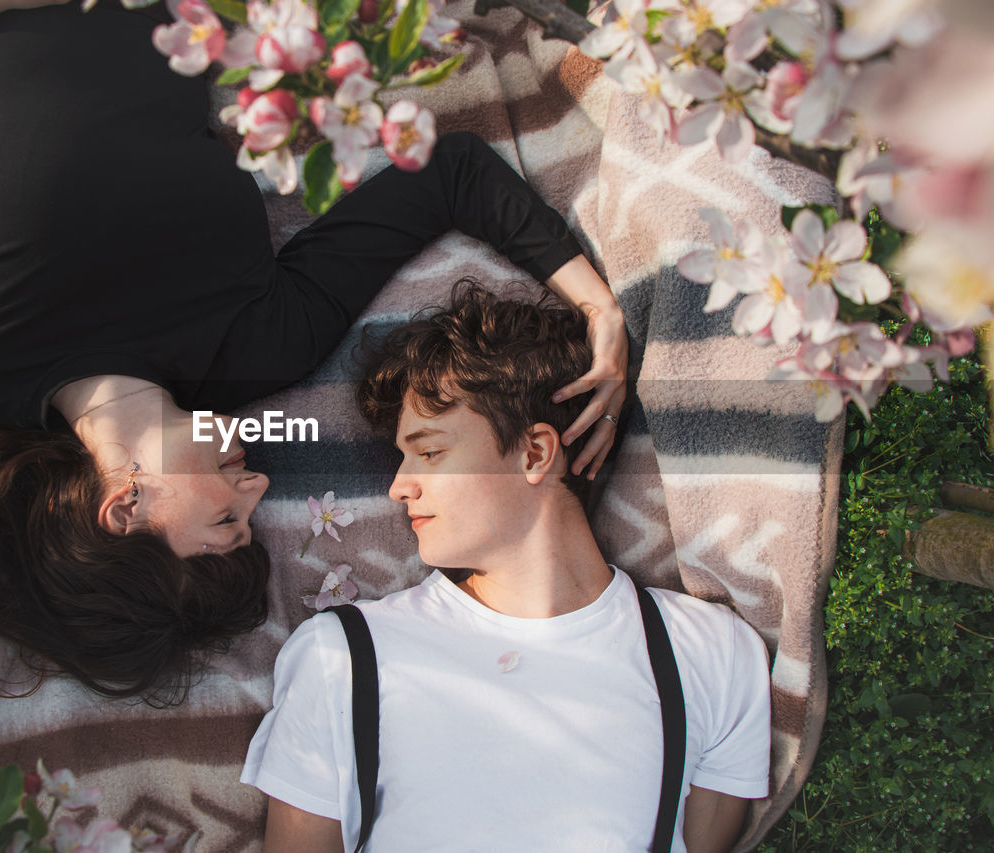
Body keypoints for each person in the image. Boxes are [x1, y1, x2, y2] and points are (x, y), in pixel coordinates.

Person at [0, 0, 628, 699]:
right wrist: (595, 302)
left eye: (226, 519)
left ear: (127, 505)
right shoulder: (263, 347)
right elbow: (447, 173)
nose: (257, 485)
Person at [241, 283, 772, 852]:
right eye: (402, 456)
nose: (399, 486)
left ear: (535, 453)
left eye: (431, 451)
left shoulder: (713, 655)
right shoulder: (342, 657)